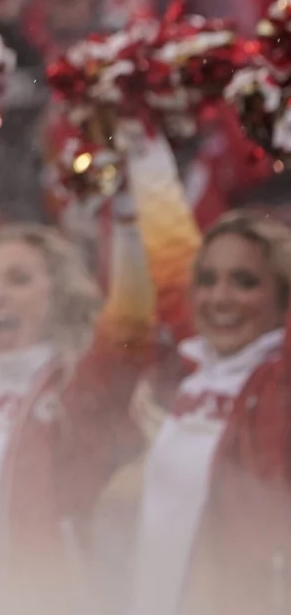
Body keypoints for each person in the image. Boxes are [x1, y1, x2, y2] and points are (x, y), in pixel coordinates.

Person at [0, 223, 158, 615]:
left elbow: (130, 325)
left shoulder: (74, 391)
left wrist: (127, 217)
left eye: (20, 280)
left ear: (59, 296)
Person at [131, 213, 291, 615]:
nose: (219, 298)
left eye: (245, 281)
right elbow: (168, 263)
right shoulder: (192, 374)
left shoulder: (279, 385)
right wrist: (145, 153)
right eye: (206, 280)